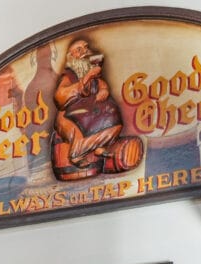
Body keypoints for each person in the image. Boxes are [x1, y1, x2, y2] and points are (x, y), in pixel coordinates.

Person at [52, 39, 143, 180]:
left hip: (93, 111)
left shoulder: (93, 71)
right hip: (71, 114)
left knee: (113, 116)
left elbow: (102, 85)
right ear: (71, 56)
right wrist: (88, 77)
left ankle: (100, 146)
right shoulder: (69, 76)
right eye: (79, 50)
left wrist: (103, 91)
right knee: (83, 125)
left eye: (85, 48)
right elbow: (60, 97)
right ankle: (77, 154)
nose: (84, 52)